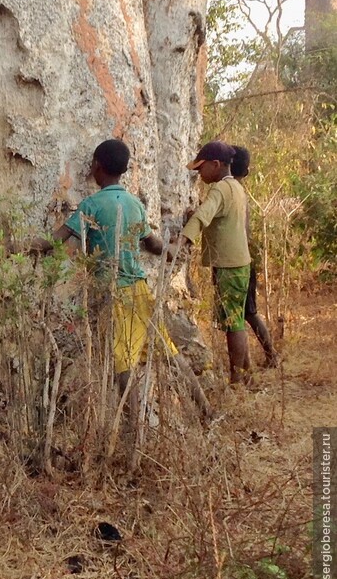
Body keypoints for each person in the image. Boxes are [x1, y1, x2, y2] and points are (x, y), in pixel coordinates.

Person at [33, 139, 211, 421]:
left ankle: (133, 429)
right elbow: (152, 244)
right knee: (168, 351)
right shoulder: (134, 204)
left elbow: (53, 242)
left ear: (97, 167)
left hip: (113, 291)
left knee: (122, 363)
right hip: (140, 288)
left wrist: (14, 248)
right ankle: (206, 411)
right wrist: (173, 249)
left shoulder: (91, 205)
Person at [177, 141, 252, 385]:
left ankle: (236, 381)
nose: (199, 173)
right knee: (236, 320)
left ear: (216, 165)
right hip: (238, 263)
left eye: (201, 168)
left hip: (229, 265)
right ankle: (246, 375)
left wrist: (180, 242)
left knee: (233, 324)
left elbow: (202, 216)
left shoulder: (219, 190)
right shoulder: (236, 188)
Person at [230, 145, 279, 367]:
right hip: (246, 258)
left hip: (238, 261)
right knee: (245, 314)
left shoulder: (231, 194)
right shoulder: (240, 194)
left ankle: (270, 357)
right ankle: (253, 364)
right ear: (247, 172)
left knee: (245, 315)